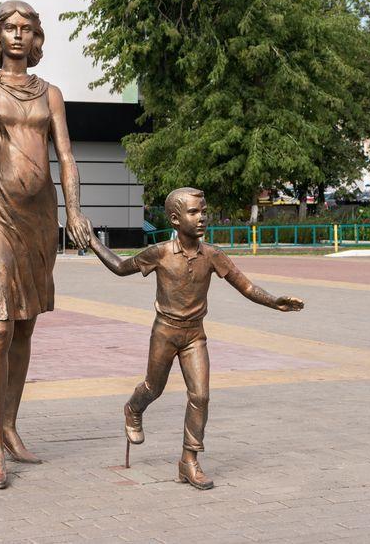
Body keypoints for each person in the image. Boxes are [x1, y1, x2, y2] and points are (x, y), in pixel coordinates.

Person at [88, 187, 305, 490]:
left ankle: (189, 461)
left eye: (204, 211)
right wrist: (93, 241)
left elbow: (246, 286)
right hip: (164, 332)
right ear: (175, 219)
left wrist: (274, 302)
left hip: (195, 336)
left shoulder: (213, 256)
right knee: (153, 387)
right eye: (194, 212)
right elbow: (120, 267)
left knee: (200, 396)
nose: (202, 217)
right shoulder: (160, 253)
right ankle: (133, 408)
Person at [0, 0, 93, 489]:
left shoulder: (52, 94)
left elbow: (66, 156)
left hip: (40, 218)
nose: (18, 35)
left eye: (26, 28)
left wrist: (75, 212)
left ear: (36, 37)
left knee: (24, 328)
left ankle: (10, 425)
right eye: (10, 28)